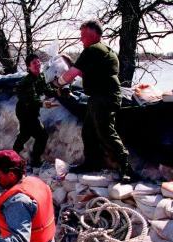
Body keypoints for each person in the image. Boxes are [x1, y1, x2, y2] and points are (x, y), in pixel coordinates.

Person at [54, 20, 135, 182]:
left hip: (104, 97)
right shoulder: (106, 50)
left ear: (93, 34)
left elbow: (72, 75)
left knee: (106, 132)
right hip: (100, 96)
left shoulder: (91, 50)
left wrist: (58, 83)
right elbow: (88, 74)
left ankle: (126, 167)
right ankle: (92, 163)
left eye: (83, 35)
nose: (81, 39)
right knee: (88, 131)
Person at [14, 53, 57, 168]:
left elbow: (47, 89)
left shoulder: (41, 76)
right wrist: (42, 103)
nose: (37, 64)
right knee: (41, 135)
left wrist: (58, 91)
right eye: (34, 63)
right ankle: (35, 159)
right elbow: (31, 98)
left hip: (32, 110)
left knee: (25, 134)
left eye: (38, 62)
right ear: (28, 67)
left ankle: (14, 154)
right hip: (24, 111)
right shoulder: (27, 81)